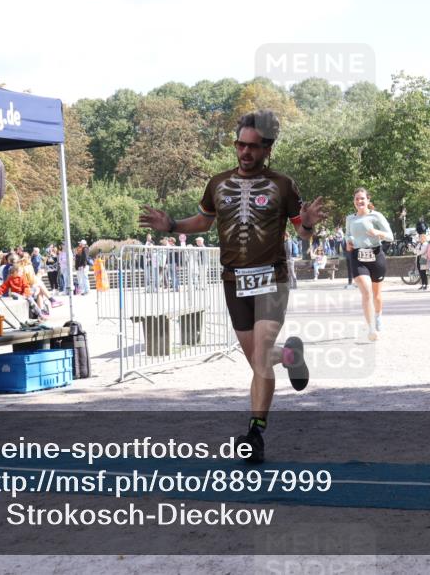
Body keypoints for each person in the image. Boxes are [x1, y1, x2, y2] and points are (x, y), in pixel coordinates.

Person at [138, 109, 325, 465]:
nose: (244, 152)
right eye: (240, 144)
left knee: (260, 354)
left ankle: (255, 432)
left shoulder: (284, 185)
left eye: (253, 147)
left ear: (267, 149)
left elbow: (301, 230)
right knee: (258, 359)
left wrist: (309, 226)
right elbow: (204, 221)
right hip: (232, 281)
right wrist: (171, 223)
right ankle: (291, 356)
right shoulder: (217, 183)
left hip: (271, 278)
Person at [345, 187, 394, 341]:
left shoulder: (376, 216)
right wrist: (348, 242)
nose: (359, 201)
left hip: (376, 256)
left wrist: (377, 233)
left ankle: (378, 315)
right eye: (357, 199)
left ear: (368, 200)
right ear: (354, 201)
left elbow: (390, 236)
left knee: (377, 295)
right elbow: (348, 234)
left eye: (362, 198)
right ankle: (371, 328)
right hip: (358, 256)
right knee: (366, 292)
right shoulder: (350, 219)